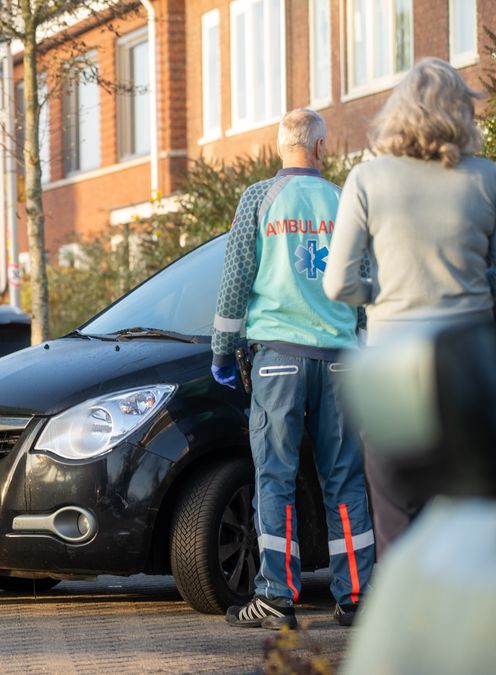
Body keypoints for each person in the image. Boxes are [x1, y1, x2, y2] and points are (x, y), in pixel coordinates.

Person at [324, 57, 496, 557]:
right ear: (462, 112)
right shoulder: (487, 178)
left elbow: (337, 283)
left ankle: (405, 628)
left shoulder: (367, 179)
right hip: (470, 361)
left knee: (396, 515)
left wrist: (383, 293)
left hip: (392, 363)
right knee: (472, 517)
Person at [210, 108, 374, 629]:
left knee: (275, 476)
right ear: (321, 148)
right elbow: (366, 282)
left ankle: (278, 597)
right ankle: (356, 597)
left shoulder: (259, 198)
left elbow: (236, 279)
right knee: (344, 477)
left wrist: (221, 349)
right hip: (342, 361)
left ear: (281, 149)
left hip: (278, 361)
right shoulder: (345, 199)